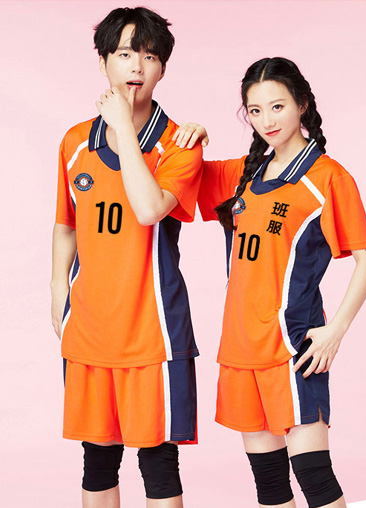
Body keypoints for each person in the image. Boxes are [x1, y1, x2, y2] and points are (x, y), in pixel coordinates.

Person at [175, 57, 366, 507]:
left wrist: (335, 331)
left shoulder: (328, 178)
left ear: (302, 104)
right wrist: (192, 135)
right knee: (269, 485)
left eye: (277, 106)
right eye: (255, 110)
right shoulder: (242, 174)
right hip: (240, 348)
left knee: (315, 479)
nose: (266, 120)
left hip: (290, 346)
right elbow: (177, 174)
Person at [50, 7, 204, 508]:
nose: (137, 65)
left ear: (162, 69)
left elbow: (148, 209)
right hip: (90, 330)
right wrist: (57, 291)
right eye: (124, 54)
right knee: (97, 460)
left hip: (153, 333)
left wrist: (123, 127)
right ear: (103, 62)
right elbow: (66, 224)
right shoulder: (75, 142)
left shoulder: (180, 144)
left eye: (150, 56)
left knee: (158, 463)